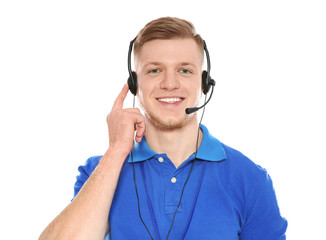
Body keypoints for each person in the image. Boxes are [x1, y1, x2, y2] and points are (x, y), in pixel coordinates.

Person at [39, 17, 287, 240]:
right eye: (154, 70)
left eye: (185, 70)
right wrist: (116, 152)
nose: (170, 83)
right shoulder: (99, 171)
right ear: (135, 83)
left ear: (204, 83)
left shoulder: (249, 178)